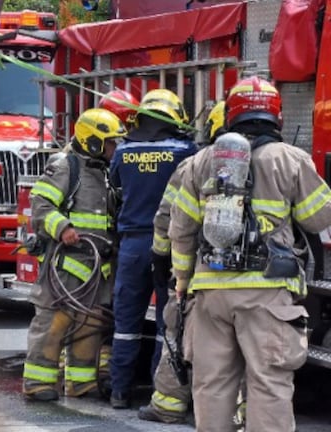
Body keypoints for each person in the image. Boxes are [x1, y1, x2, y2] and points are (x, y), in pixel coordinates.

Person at [169, 76, 331, 432]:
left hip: (210, 293)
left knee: (212, 384)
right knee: (268, 382)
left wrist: (182, 279)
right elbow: (318, 218)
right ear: (277, 115)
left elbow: (180, 229)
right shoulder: (289, 159)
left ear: (231, 113)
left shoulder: (201, 162)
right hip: (267, 293)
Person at [22, 108, 125, 402]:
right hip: (67, 263)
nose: (114, 148)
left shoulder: (106, 173)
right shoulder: (65, 166)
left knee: (89, 324)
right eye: (110, 142)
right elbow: (40, 206)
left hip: (98, 266)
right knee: (55, 322)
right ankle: (37, 382)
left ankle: (81, 383)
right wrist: (62, 227)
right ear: (92, 141)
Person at [108, 88, 197, 409]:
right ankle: (159, 391)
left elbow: (115, 189)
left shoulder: (123, 151)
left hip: (132, 245)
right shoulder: (185, 150)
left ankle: (119, 391)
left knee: (126, 323)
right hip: (169, 246)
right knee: (167, 323)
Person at [137, 100, 226, 424]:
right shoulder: (268, 164)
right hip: (248, 278)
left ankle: (168, 405)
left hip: (196, 271)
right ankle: (237, 413)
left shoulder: (191, 165)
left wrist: (164, 262)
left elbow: (168, 218)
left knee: (177, 332)